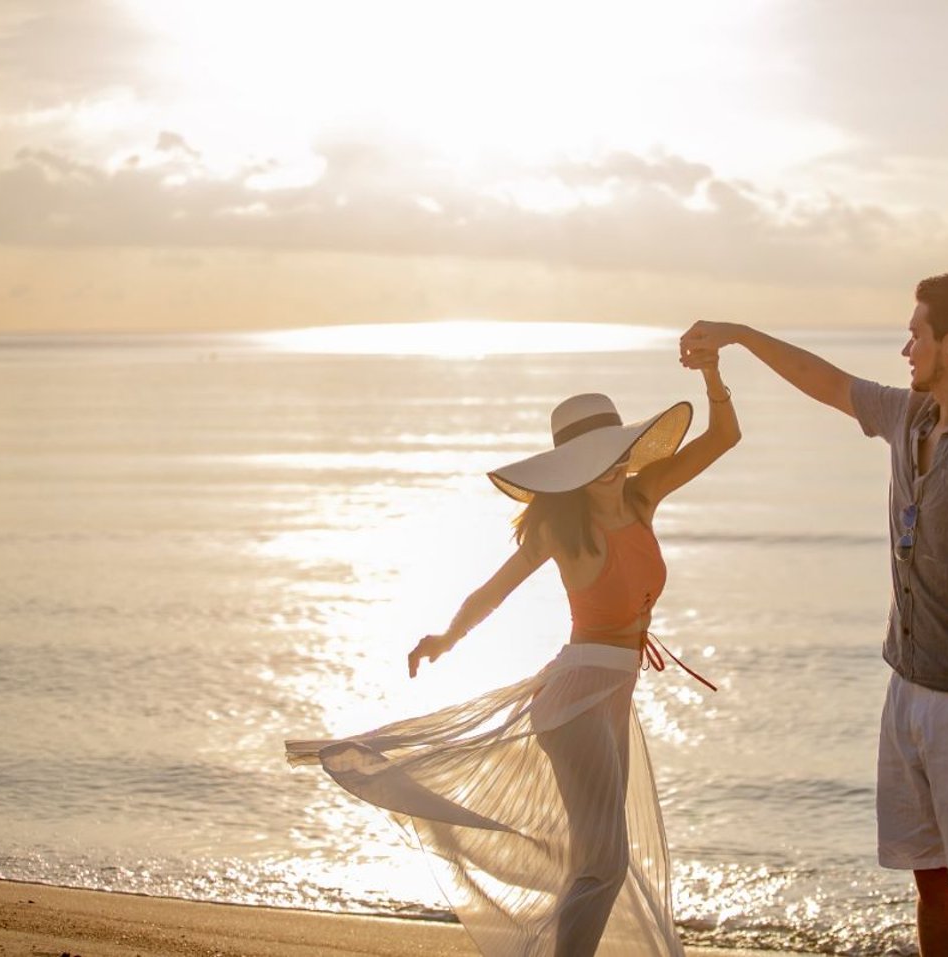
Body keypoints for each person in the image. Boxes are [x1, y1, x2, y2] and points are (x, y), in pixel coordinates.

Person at [286, 355, 740, 957]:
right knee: (605, 862)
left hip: (613, 696)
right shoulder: (558, 526)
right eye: (594, 461)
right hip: (576, 702)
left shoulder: (642, 496)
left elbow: (725, 436)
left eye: (617, 452)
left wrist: (711, 375)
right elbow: (491, 593)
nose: (612, 469)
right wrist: (445, 638)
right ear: (571, 471)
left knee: (596, 861)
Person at [679, 271, 948, 957]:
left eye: (914, 333)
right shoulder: (906, 417)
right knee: (932, 876)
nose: (904, 347)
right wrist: (738, 335)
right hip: (907, 690)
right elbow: (823, 380)